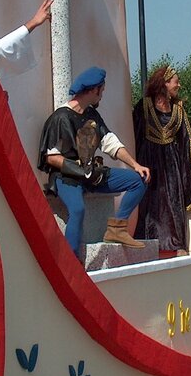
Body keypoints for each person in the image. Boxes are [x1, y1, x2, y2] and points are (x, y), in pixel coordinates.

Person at [38, 67, 150, 258]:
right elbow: (51, 157)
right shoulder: (61, 117)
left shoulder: (92, 115)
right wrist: (79, 170)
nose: (102, 95)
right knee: (78, 209)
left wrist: (135, 165)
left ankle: (117, 229)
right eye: (102, 90)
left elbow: (110, 143)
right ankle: (70, 263)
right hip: (66, 177)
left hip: (91, 173)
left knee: (137, 180)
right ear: (94, 90)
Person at [132, 65, 191, 256]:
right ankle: (149, 242)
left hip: (172, 161)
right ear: (164, 83)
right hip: (150, 159)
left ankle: (177, 244)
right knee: (151, 200)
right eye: (176, 81)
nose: (178, 85)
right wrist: (134, 163)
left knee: (174, 200)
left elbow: (185, 136)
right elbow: (136, 135)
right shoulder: (144, 106)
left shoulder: (178, 110)